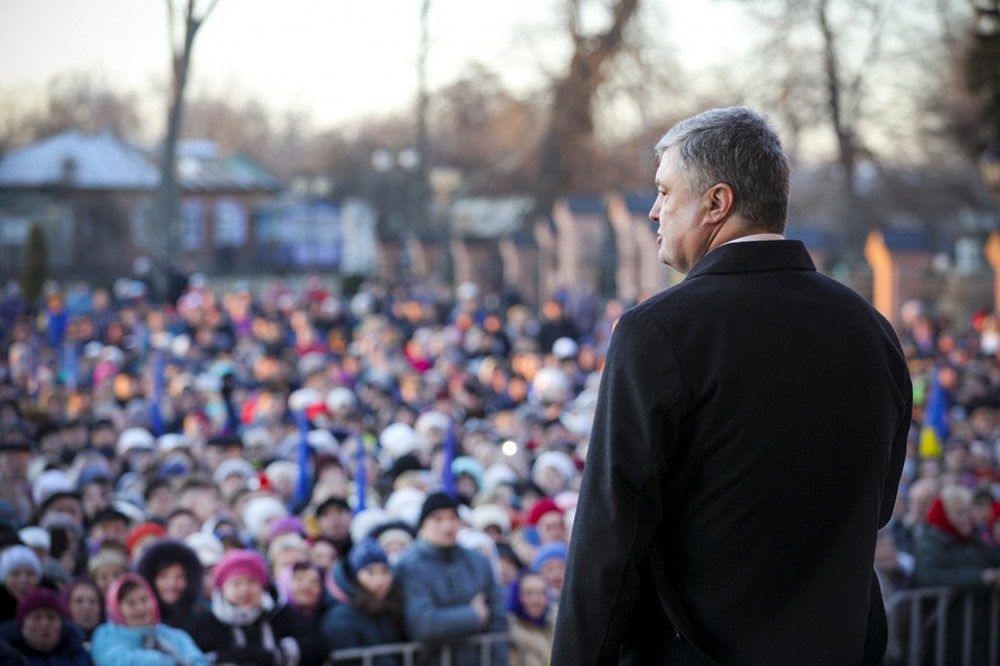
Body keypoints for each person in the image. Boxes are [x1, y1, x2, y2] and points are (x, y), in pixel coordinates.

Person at [551, 107, 911, 665]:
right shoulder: (871, 328)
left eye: (666, 193)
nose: (652, 211)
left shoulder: (657, 331)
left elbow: (611, 539)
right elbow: (877, 506)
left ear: (718, 203)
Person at [394, 492, 508, 665]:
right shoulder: (408, 566)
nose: (448, 526)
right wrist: (474, 615)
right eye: (438, 520)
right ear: (423, 525)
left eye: (453, 518)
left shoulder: (478, 562)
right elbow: (423, 625)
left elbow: (498, 622)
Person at [187, 548, 328, 666]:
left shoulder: (280, 613)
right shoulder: (207, 623)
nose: (245, 590)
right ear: (223, 589)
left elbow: (318, 646)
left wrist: (276, 655)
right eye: (236, 584)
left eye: (251, 582)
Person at [90, 573, 208, 666]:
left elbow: (199, 660)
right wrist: (171, 662)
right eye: (131, 603)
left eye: (144, 599)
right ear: (117, 609)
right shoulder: (106, 635)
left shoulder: (175, 636)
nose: (140, 608)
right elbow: (118, 662)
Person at [321, 537, 405, 666]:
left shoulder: (386, 606)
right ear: (355, 576)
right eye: (370, 572)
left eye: (384, 571)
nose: (380, 580)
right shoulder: (340, 617)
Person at [0, 586, 90, 666]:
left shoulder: (78, 655)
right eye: (37, 617)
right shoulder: (6, 658)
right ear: (22, 624)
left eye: (51, 617)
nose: (45, 623)